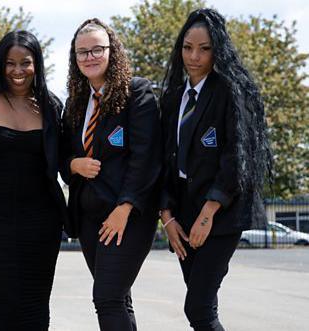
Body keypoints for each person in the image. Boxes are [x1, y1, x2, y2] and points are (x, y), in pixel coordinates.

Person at [159, 9, 271, 331]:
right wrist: (167, 217)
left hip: (219, 216)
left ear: (217, 49)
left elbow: (237, 158)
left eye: (204, 48)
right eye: (187, 47)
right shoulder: (171, 99)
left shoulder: (231, 92)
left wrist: (208, 212)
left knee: (198, 308)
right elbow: (163, 161)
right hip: (181, 217)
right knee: (203, 308)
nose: (194, 57)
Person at [59, 18, 161, 330]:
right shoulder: (75, 104)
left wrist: (125, 207)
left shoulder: (137, 94)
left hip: (126, 216)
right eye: (82, 52)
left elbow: (146, 157)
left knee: (106, 297)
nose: (89, 57)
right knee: (117, 299)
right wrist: (74, 165)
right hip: (89, 217)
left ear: (112, 52)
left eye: (97, 50)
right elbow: (62, 158)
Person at [0, 30, 67, 330]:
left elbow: (64, 157)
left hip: (43, 220)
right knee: (3, 301)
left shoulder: (53, 107)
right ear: (0, 65)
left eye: (26, 62)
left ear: (37, 64)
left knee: (36, 303)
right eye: (10, 63)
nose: (18, 71)